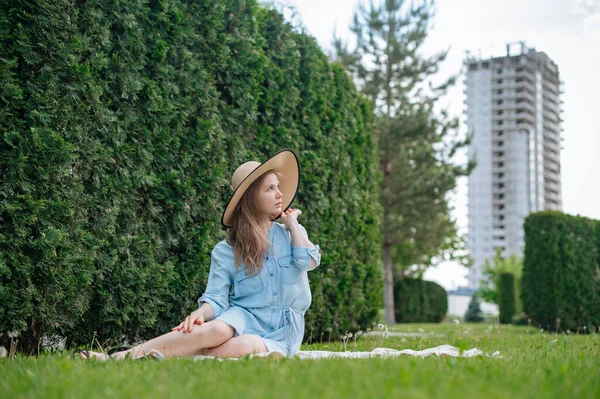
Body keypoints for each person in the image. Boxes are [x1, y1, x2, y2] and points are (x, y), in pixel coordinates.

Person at [76, 149, 321, 360]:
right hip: (242, 317)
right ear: (250, 198)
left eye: (278, 187)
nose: (280, 194)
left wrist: (292, 224)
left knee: (247, 345)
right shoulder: (225, 250)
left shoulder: (292, 234)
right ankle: (119, 358)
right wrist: (198, 314)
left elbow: (308, 261)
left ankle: (160, 354)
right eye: (270, 189)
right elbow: (215, 299)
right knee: (217, 331)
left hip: (282, 329)